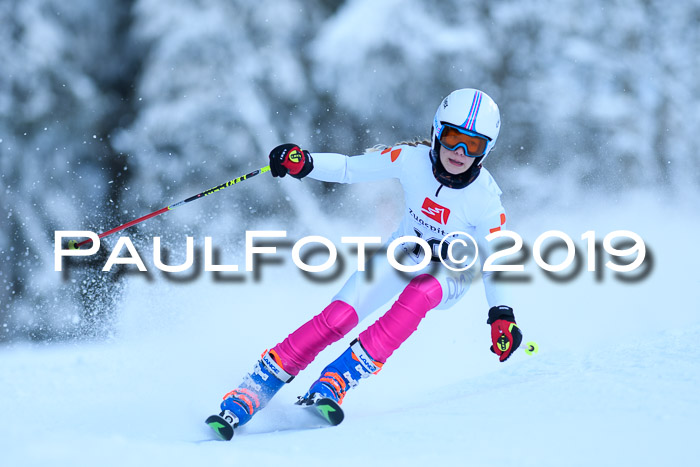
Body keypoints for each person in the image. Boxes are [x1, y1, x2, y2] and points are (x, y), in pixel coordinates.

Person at [214, 88, 523, 431]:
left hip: (453, 271)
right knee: (338, 317)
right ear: (437, 131)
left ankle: (339, 378)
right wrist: (306, 163)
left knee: (420, 292)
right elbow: (349, 168)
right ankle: (255, 386)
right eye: (452, 137)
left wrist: (501, 314)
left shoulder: (485, 201)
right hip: (405, 251)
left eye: (474, 145)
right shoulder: (411, 159)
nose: (459, 152)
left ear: (486, 150)